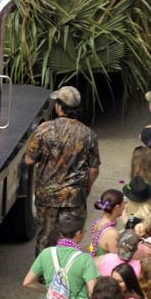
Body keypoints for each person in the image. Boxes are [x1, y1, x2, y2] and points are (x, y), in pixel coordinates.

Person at [25, 86, 101, 250]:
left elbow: (29, 160)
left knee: (45, 238)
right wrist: (87, 188)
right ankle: (68, 273)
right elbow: (94, 169)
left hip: (47, 197)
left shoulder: (44, 130)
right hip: (74, 197)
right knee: (71, 241)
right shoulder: (88, 134)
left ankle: (44, 274)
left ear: (59, 106)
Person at [23, 213, 99, 299]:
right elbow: (92, 291)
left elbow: (28, 282)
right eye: (83, 231)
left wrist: (50, 290)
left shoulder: (46, 253)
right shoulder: (85, 259)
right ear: (78, 233)